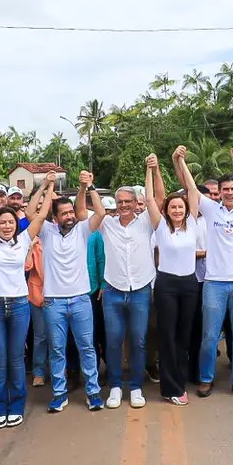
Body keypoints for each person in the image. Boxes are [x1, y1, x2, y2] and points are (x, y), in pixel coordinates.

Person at [0, 167, 55, 430]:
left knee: (16, 358)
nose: (6, 225)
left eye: (10, 222)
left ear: (16, 225)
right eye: (1, 222)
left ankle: (16, 406)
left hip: (18, 306)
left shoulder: (24, 240)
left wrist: (49, 186)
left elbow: (41, 213)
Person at [174, 144, 233, 400]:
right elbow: (190, 187)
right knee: (209, 337)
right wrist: (181, 161)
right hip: (215, 284)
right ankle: (206, 379)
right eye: (225, 190)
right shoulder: (211, 210)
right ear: (219, 193)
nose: (230, 193)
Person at [93, 157, 162, 409]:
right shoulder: (106, 225)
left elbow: (157, 199)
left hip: (141, 290)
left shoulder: (146, 224)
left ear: (136, 203)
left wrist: (150, 170)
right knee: (113, 340)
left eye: (128, 201)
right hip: (112, 290)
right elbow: (82, 213)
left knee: (139, 340)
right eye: (119, 202)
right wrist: (88, 187)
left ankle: (135, 387)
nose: (123, 205)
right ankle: (114, 387)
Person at [39, 171, 105, 414]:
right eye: (64, 213)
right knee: (56, 350)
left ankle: (93, 392)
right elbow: (29, 214)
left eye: (71, 212)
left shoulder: (82, 230)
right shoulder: (46, 232)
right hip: (54, 303)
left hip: (80, 300)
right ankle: (59, 393)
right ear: (55, 218)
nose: (69, 216)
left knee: (87, 347)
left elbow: (100, 213)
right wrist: (47, 186)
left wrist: (89, 187)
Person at [149, 164, 207, 404]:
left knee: (184, 335)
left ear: (186, 210)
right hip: (167, 286)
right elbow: (150, 198)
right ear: (167, 210)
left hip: (189, 285)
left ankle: (179, 380)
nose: (176, 210)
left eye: (180, 207)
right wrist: (150, 170)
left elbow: (192, 189)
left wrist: (181, 162)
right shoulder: (161, 227)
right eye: (172, 207)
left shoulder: (193, 224)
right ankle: (171, 388)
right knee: (168, 336)